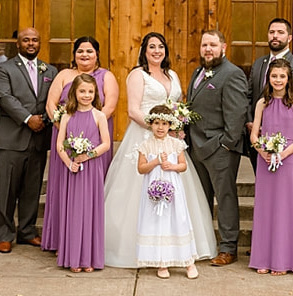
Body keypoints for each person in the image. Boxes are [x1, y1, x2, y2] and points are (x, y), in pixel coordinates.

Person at [103, 32, 216, 267]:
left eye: (161, 46)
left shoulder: (172, 74)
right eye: (151, 47)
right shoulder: (137, 75)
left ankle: (176, 246)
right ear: (144, 50)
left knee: (176, 190)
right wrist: (160, 128)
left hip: (171, 141)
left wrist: (176, 126)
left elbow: (178, 106)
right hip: (144, 138)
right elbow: (133, 110)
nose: (157, 51)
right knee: (138, 192)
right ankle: (137, 248)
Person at [42, 36, 119, 252]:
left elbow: (110, 105)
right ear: (74, 54)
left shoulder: (107, 76)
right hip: (66, 139)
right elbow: (51, 103)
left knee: (91, 190)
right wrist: (65, 130)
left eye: (90, 51)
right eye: (80, 51)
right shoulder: (64, 75)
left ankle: (89, 242)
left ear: (97, 54)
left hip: (96, 140)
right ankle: (63, 240)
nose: (84, 55)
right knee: (64, 188)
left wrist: (89, 130)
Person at [186, 29, 249, 267]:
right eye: (204, 45)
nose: (208, 49)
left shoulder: (232, 74)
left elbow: (236, 114)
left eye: (212, 44)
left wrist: (226, 144)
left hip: (220, 149)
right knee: (201, 199)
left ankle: (228, 247)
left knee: (225, 198)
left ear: (224, 47)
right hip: (196, 147)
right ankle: (203, 245)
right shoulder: (198, 72)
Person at [0, 27, 57, 253]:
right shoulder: (4, 68)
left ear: (40, 43)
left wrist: (46, 119)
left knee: (32, 188)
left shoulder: (50, 70)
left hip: (39, 137)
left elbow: (53, 99)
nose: (31, 43)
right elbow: (5, 97)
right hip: (11, 137)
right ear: (18, 44)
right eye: (26, 40)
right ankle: (4, 234)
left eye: (35, 40)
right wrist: (28, 118)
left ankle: (27, 231)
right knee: (7, 189)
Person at [247, 59, 293, 275]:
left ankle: (283, 261)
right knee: (266, 209)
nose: (278, 80)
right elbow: (254, 134)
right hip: (266, 162)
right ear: (268, 78)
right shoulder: (262, 103)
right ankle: (263, 258)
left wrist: (283, 153)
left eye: (282, 76)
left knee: (285, 210)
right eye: (274, 76)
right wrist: (262, 151)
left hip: (287, 161)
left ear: (288, 78)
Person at [135, 104, 200, 279]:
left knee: (178, 219)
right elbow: (141, 169)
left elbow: (183, 166)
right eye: (156, 123)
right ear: (151, 124)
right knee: (157, 221)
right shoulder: (145, 145)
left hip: (173, 190)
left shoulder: (176, 144)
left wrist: (172, 166)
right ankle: (161, 261)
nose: (160, 127)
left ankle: (188, 261)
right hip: (153, 191)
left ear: (170, 125)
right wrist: (155, 161)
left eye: (164, 124)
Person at [55, 74, 112, 273]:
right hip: (72, 171)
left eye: (90, 91)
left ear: (95, 93)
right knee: (74, 211)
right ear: (74, 92)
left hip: (91, 169)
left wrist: (87, 156)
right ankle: (72, 257)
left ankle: (89, 258)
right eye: (82, 91)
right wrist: (69, 162)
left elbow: (106, 144)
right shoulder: (67, 116)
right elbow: (59, 144)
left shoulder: (99, 115)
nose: (86, 95)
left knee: (89, 211)